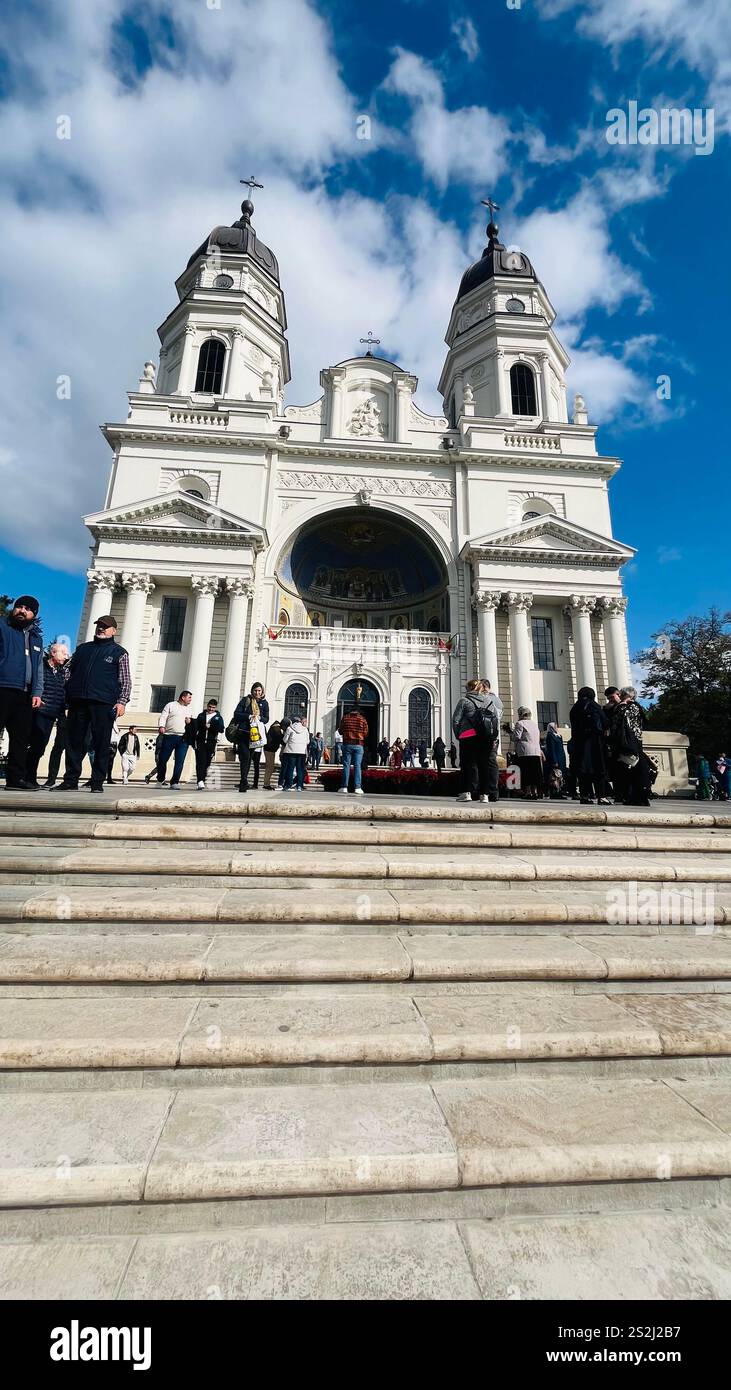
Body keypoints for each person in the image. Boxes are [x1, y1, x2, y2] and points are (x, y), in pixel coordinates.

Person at [58, 616, 131, 794]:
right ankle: (70, 780)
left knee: (101, 743)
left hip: (103, 703)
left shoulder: (119, 652)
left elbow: (126, 680)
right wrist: (71, 686)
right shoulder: (83, 649)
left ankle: (97, 781)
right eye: (99, 626)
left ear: (114, 630)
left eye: (105, 627)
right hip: (79, 701)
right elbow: (67, 669)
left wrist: (121, 702)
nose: (101, 629)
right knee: (74, 742)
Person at [0, 595, 44, 790]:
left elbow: (38, 669)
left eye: (27, 609)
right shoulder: (3, 627)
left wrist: (37, 691)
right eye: (19, 607)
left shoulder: (36, 638)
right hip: (3, 687)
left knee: (20, 737)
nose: (22, 611)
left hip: (25, 693)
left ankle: (15, 779)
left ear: (34, 614)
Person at [25, 641, 69, 788]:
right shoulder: (42, 668)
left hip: (52, 714)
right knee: (34, 744)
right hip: (39, 711)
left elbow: (63, 692)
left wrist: (65, 707)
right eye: (63, 653)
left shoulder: (62, 672)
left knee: (41, 747)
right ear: (53, 653)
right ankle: (26, 776)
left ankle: (29, 776)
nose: (66, 656)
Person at [452, 677, 502, 803]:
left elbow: (456, 720)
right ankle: (484, 795)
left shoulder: (464, 701)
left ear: (469, 688)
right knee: (484, 765)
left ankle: (466, 793)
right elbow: (495, 719)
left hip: (468, 736)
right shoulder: (488, 701)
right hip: (485, 737)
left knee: (467, 765)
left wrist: (459, 734)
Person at [569, 687, 610, 804]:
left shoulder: (574, 708)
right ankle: (601, 796)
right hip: (594, 742)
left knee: (582, 770)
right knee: (599, 769)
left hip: (578, 743)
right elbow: (605, 722)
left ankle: (584, 796)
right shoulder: (593, 705)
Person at [612, 686, 651, 806]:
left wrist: (620, 705)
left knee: (630, 768)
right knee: (637, 768)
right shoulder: (638, 706)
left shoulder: (628, 707)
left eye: (622, 695)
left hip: (629, 741)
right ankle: (640, 796)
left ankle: (634, 796)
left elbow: (618, 719)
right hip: (636, 740)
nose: (620, 697)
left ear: (628, 696)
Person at [231, 683, 269, 792]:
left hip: (256, 735)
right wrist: (248, 716)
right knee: (245, 757)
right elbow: (236, 714)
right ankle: (243, 781)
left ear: (262, 692)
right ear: (252, 691)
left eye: (259, 691)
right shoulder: (246, 700)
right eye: (255, 690)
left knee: (249, 759)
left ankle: (244, 780)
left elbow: (266, 719)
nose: (257, 693)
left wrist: (259, 718)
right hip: (244, 733)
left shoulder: (264, 703)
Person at [155, 689, 193, 789]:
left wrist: (190, 722)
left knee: (180, 761)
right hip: (169, 736)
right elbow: (163, 716)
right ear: (183, 697)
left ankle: (174, 782)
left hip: (183, 738)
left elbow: (191, 724)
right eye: (189, 698)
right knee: (163, 759)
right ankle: (160, 779)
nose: (190, 700)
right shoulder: (170, 705)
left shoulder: (189, 709)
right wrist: (161, 726)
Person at [510, 706, 544, 800]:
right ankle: (535, 792)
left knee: (526, 773)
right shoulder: (534, 724)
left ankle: (528, 792)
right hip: (535, 751)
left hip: (525, 751)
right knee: (535, 773)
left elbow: (516, 737)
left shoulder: (520, 723)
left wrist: (510, 733)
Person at [338, 705, 370, 795]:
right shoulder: (362, 719)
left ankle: (344, 787)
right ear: (358, 711)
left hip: (347, 744)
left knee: (346, 765)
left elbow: (340, 731)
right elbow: (366, 732)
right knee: (357, 766)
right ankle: (357, 787)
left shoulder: (345, 718)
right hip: (358, 744)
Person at [192, 699, 224, 789]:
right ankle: (200, 780)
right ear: (207, 706)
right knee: (200, 761)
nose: (211, 709)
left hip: (211, 742)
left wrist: (212, 727)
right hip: (200, 741)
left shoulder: (218, 717)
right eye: (209, 707)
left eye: (213, 707)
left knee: (207, 762)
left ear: (216, 708)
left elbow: (221, 729)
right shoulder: (201, 715)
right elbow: (195, 726)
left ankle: (203, 779)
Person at [275, 714, 309, 791]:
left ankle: (288, 785)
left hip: (291, 751)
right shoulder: (305, 729)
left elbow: (285, 740)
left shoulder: (290, 729)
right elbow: (308, 741)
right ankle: (299, 786)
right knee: (300, 769)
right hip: (301, 752)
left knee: (290, 768)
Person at [543, 721, 567, 798]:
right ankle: (554, 792)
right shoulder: (550, 736)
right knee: (554, 776)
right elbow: (552, 749)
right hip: (555, 759)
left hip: (561, 759)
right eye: (555, 726)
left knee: (560, 777)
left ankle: (559, 791)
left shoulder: (558, 736)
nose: (557, 727)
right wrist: (554, 760)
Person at [262, 720, 284, 789]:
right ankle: (266, 784)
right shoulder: (277, 729)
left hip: (269, 749)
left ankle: (266, 783)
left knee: (270, 767)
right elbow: (281, 739)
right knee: (270, 767)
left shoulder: (274, 728)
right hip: (270, 750)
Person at [106, 718, 121, 784]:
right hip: (109, 743)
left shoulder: (114, 723)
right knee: (107, 762)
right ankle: (106, 777)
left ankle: (109, 777)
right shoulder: (109, 722)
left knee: (110, 762)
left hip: (114, 744)